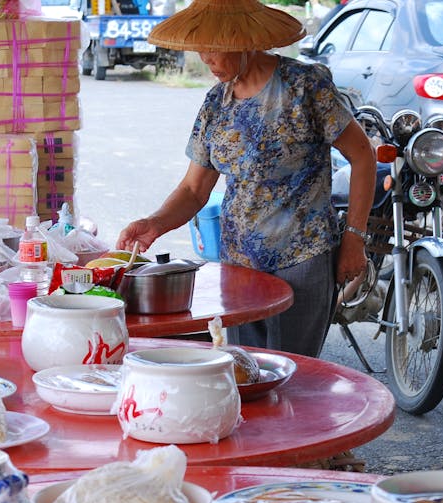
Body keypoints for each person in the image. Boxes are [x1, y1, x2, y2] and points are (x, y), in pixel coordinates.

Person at [115, 0, 376, 358]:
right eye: (200, 48)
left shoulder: (304, 86)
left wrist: (354, 240)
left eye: (213, 48)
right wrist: (154, 224)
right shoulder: (215, 104)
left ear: (242, 40)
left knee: (291, 375)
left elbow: (363, 156)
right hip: (238, 265)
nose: (206, 58)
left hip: (303, 257)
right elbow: (194, 190)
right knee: (243, 372)